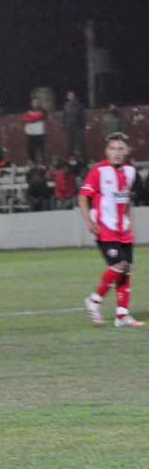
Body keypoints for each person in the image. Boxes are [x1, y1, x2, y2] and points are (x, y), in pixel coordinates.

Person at [80, 133, 143, 327]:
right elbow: (83, 196)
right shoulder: (98, 171)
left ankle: (122, 315)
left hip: (124, 229)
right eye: (113, 148)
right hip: (105, 228)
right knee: (119, 265)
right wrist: (88, 221)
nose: (117, 152)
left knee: (126, 270)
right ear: (107, 151)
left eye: (120, 148)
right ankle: (94, 300)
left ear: (127, 151)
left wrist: (130, 223)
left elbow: (127, 199)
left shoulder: (131, 172)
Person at [62, 90, 87, 164]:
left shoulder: (79, 105)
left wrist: (82, 127)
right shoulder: (66, 105)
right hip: (69, 128)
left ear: (74, 96)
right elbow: (64, 117)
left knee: (81, 145)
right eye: (68, 95)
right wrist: (65, 127)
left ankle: (84, 161)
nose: (69, 96)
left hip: (78, 128)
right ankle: (71, 161)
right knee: (70, 146)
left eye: (71, 95)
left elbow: (83, 117)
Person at [22, 97, 48, 164]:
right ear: (31, 103)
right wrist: (32, 119)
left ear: (39, 103)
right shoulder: (27, 111)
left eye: (37, 102)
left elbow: (38, 117)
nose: (35, 104)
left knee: (42, 150)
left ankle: (44, 164)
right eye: (34, 102)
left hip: (40, 134)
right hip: (30, 134)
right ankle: (33, 164)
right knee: (30, 150)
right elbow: (24, 119)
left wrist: (31, 118)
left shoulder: (43, 111)